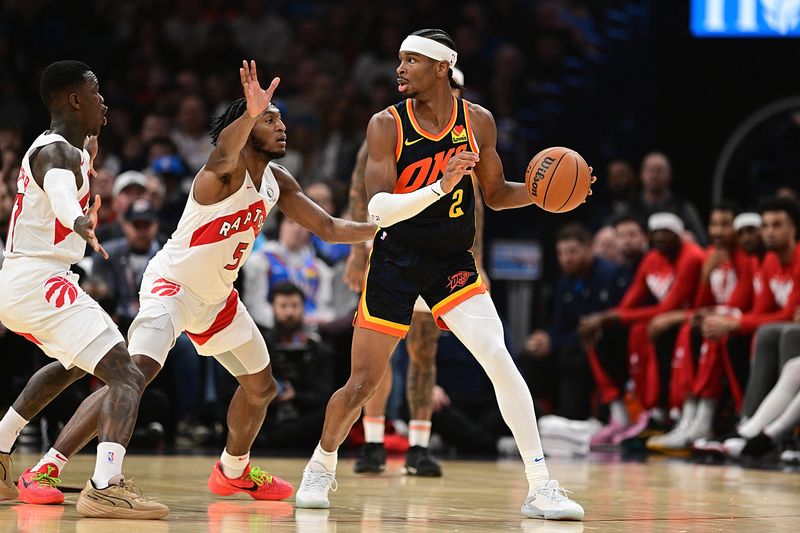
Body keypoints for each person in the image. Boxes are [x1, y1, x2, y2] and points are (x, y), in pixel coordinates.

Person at [18, 61, 375, 505]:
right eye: (270, 118)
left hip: (218, 298)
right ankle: (46, 468)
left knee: (262, 387)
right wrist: (249, 113)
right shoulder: (221, 172)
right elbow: (225, 149)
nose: (281, 125)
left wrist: (383, 225)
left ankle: (233, 470)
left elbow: (329, 227)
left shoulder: (278, 181)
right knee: (132, 376)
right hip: (172, 287)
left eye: (279, 117)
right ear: (245, 127)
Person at [295, 29, 587, 521]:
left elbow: (494, 194)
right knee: (363, 382)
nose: (400, 69)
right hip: (395, 259)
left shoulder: (479, 122)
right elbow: (379, 208)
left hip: (451, 263)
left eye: (411, 60)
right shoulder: (386, 125)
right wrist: (442, 184)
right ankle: (321, 465)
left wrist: (546, 194)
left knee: (499, 359)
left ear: (440, 68)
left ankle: (541, 486)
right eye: (400, 60)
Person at [0, 60, 167, 518]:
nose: (104, 102)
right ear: (75, 99)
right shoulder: (58, 155)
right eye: (96, 93)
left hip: (23, 282)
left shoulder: (65, 148)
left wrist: (89, 153)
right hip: (41, 280)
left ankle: (0, 446)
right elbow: (58, 192)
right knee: (128, 375)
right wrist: (77, 219)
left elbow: (67, 173)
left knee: (73, 365)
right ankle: (105, 486)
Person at [345, 66, 485, 477]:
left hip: (441, 255)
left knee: (425, 354)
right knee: (380, 355)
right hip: (392, 252)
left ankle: (419, 447)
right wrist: (358, 255)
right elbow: (360, 190)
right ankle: (372, 442)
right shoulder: (391, 127)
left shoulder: (467, 134)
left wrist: (478, 259)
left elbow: (475, 204)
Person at [581, 212, 705, 446]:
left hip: (689, 317)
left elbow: (669, 306)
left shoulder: (691, 257)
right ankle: (621, 415)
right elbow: (630, 302)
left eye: (665, 233)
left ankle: (659, 413)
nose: (659, 238)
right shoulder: (652, 258)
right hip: (669, 319)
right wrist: (608, 320)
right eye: (655, 233)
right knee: (601, 335)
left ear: (678, 234)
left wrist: (611, 316)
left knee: (643, 331)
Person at [522, 224, 627, 420]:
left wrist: (554, 342)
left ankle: (573, 416)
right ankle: (538, 415)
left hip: (604, 342)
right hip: (572, 341)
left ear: (589, 248)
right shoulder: (565, 281)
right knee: (529, 357)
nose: (566, 259)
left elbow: (597, 324)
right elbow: (561, 323)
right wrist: (545, 338)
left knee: (573, 356)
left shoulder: (608, 274)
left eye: (572, 252)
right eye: (561, 253)